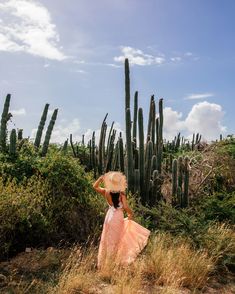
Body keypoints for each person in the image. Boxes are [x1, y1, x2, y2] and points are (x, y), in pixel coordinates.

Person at [93, 171, 150, 269]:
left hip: (109, 216)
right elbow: (126, 207)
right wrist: (130, 214)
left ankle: (105, 264)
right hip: (117, 216)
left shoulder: (106, 191)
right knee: (117, 240)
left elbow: (95, 186)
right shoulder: (121, 194)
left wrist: (100, 179)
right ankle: (112, 264)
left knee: (108, 239)